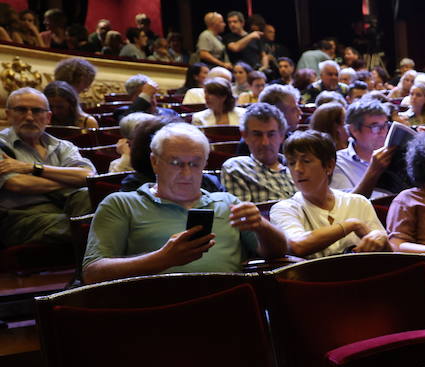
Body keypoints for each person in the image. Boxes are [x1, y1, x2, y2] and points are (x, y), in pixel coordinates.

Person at [84, 123, 286, 282]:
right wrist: (162, 259)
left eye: (194, 163)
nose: (186, 173)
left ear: (205, 163)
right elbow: (93, 272)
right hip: (152, 311)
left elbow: (277, 252)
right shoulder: (122, 204)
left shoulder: (227, 203)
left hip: (226, 306)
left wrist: (262, 226)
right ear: (155, 162)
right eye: (176, 163)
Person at [270, 131, 387, 258]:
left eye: (306, 161)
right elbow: (297, 245)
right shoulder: (284, 208)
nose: (297, 169)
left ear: (329, 166)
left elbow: (390, 255)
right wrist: (352, 224)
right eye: (291, 163)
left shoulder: (358, 202)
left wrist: (382, 239)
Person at [0, 88, 94, 246]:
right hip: (19, 217)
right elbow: (18, 184)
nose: (29, 117)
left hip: (63, 207)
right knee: (85, 226)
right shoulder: (2, 145)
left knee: (87, 196)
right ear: (8, 115)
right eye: (21, 110)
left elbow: (88, 175)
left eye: (37, 111)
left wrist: (32, 168)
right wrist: (70, 180)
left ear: (48, 117)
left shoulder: (62, 146)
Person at [220, 102, 295, 203]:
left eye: (271, 134)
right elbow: (244, 216)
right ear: (245, 136)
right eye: (257, 135)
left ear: (281, 136)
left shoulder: (298, 166)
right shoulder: (236, 168)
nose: (265, 143)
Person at [331, 98, 398, 198]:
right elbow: (345, 208)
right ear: (353, 130)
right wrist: (373, 171)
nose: (383, 133)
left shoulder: (394, 156)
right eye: (375, 127)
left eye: (385, 126)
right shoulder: (338, 163)